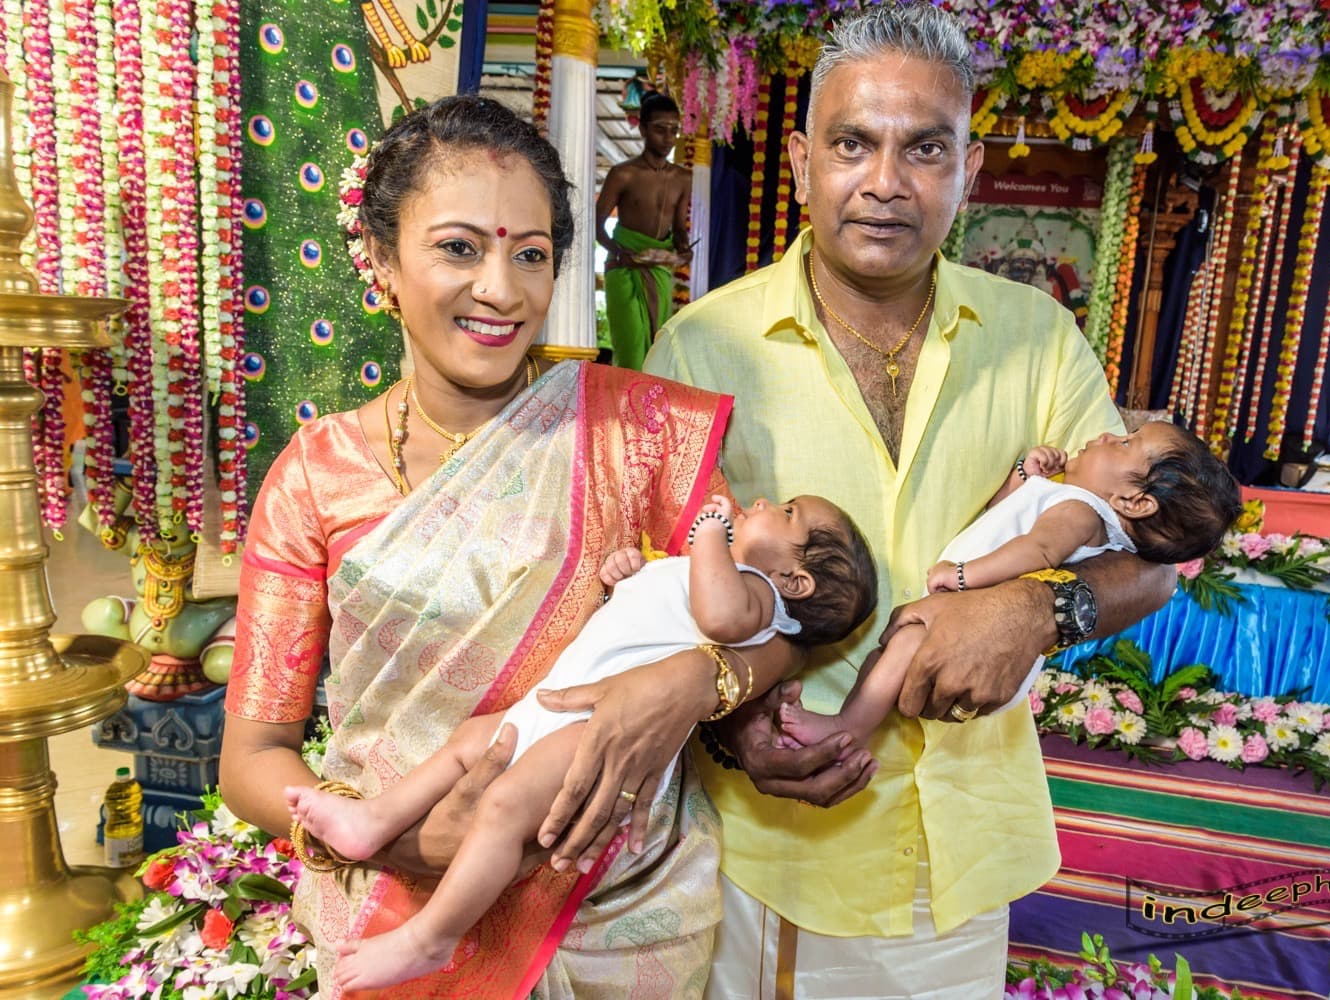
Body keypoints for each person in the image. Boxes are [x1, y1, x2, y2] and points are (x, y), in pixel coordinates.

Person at [643, 4, 1179, 996]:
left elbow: (1153, 558)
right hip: (773, 851)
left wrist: (1036, 608)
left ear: (968, 172)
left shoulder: (1038, 336)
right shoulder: (700, 349)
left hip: (962, 851)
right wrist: (730, 727)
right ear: (802, 159)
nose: (886, 182)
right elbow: (653, 585)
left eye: (925, 149)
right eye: (854, 144)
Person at [220, 94, 798, 1000]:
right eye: (459, 247)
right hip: (389, 911)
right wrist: (390, 836)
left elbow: (776, 627)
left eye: (530, 255)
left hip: (617, 910)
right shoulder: (316, 475)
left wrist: (690, 682)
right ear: (380, 258)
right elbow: (253, 756)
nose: (500, 288)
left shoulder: (637, 434)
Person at [286, 492, 877, 991]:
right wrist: (629, 572)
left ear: (795, 580)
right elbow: (662, 605)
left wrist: (709, 532)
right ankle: (375, 821)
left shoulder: (759, 600)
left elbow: (718, 619)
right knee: (469, 741)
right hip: (561, 700)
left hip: (602, 730)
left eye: (790, 511)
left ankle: (430, 937)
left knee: (504, 805)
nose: (766, 501)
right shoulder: (724, 576)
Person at [780, 426, 1243, 751]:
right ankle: (848, 723)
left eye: (1124, 443)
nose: (1105, 436)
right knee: (890, 658)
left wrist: (963, 576)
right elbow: (1003, 517)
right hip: (961, 616)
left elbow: (1036, 552)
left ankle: (845, 728)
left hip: (968, 617)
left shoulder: (1081, 512)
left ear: (1135, 502)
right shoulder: (1071, 501)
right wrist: (1024, 478)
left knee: (898, 654)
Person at [597, 92, 693, 370]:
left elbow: (678, 228)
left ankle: (647, 409)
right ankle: (623, 411)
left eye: (674, 130)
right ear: (642, 129)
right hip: (624, 268)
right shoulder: (623, 174)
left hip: (660, 269)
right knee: (629, 347)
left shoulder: (682, 178)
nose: (668, 138)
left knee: (657, 348)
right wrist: (619, 252)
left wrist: (684, 249)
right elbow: (597, 224)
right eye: (660, 129)